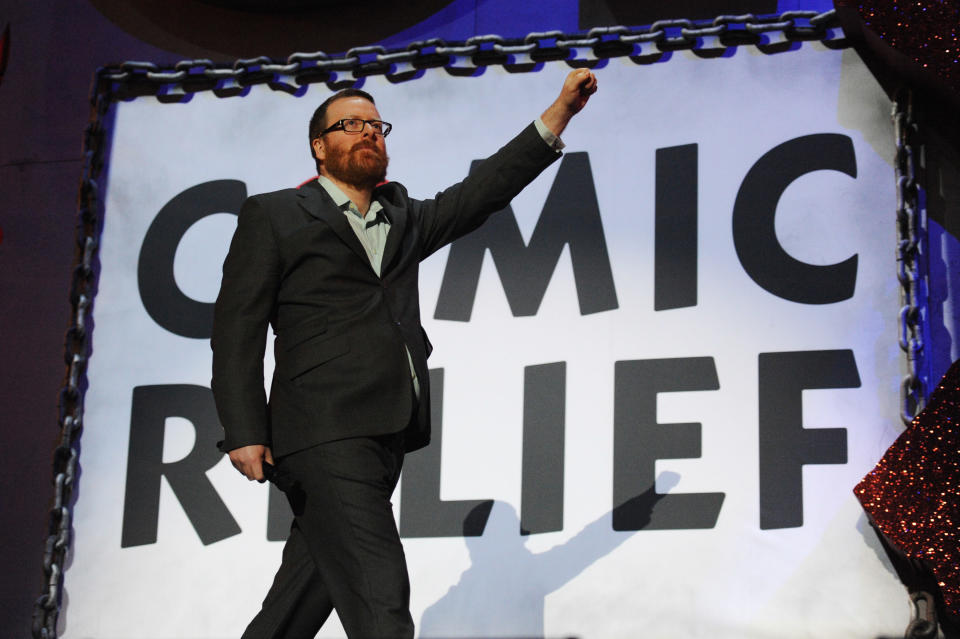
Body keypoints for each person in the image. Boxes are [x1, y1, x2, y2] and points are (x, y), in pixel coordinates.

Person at [211, 68, 598, 639]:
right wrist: (244, 427)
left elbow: (482, 191)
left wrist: (559, 113)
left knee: (299, 601)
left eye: (376, 125)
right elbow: (237, 327)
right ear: (320, 146)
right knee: (380, 594)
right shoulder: (276, 216)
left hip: (387, 428)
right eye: (351, 125)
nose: (369, 133)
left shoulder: (402, 217)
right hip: (322, 428)